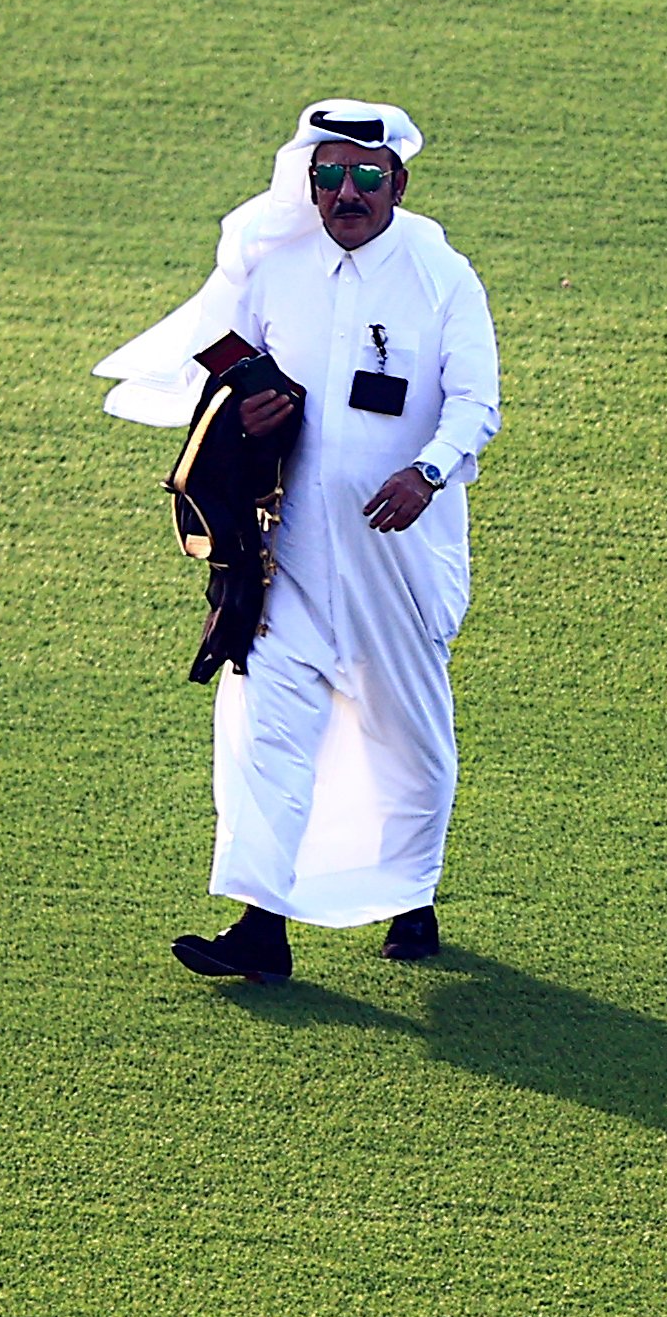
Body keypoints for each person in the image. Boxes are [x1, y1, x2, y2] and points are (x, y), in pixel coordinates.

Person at [94, 99, 501, 980]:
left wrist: (426, 473)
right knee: (261, 728)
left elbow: (476, 402)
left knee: (405, 732)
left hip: (396, 560)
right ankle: (258, 924)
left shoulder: (441, 276)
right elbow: (224, 358)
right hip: (290, 554)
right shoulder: (276, 272)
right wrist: (248, 405)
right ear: (306, 182)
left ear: (397, 180)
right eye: (326, 176)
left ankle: (409, 897)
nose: (344, 193)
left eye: (363, 176)